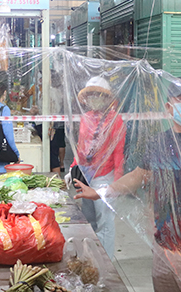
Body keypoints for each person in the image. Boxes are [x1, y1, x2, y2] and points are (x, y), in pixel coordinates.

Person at [74, 76, 181, 292]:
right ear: (169, 106)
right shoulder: (159, 143)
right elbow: (137, 177)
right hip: (165, 248)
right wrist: (100, 192)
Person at [70, 76, 126, 259]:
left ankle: (106, 261)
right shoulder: (85, 118)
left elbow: (119, 154)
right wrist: (73, 168)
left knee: (105, 223)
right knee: (89, 220)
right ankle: (91, 259)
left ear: (106, 97)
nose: (94, 98)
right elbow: (81, 147)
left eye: (98, 94)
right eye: (90, 94)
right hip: (86, 176)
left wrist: (117, 183)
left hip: (104, 177)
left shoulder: (116, 121)